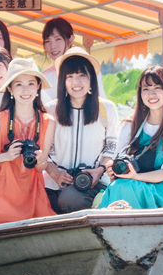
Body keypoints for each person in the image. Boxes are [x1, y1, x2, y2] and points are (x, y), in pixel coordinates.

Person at [96, 66, 163, 210]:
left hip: (161, 190)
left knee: (124, 187)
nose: (151, 94)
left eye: (157, 88)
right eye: (146, 89)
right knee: (119, 186)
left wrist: (135, 177)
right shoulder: (130, 124)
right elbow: (118, 158)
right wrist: (113, 169)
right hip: (127, 183)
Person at [0, 58, 57, 225]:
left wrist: (40, 159)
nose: (25, 90)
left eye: (31, 83)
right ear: (10, 89)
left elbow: (41, 166)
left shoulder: (48, 121)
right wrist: (6, 156)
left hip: (31, 194)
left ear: (38, 86)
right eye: (19, 84)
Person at [43, 47, 119, 214]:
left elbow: (111, 148)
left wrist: (98, 172)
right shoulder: (50, 110)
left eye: (82, 76)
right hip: (51, 184)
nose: (76, 82)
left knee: (69, 200)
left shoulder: (106, 108)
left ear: (91, 79)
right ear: (62, 81)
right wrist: (55, 174)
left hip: (92, 183)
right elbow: (43, 150)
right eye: (69, 77)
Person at [39, 17, 106, 103]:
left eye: (58, 39)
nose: (53, 46)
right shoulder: (44, 77)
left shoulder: (89, 69)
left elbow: (101, 101)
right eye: (47, 41)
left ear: (71, 40)